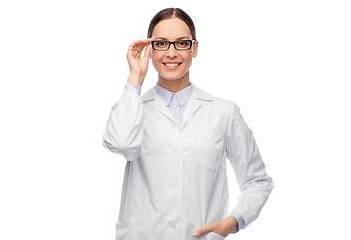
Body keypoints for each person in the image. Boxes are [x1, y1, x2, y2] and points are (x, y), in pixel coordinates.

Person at [102, 8, 274, 240]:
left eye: (182, 43)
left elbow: (257, 181)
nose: (171, 53)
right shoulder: (132, 107)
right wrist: (135, 78)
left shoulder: (224, 112)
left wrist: (233, 222)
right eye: (161, 44)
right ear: (149, 50)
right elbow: (121, 143)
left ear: (194, 49)